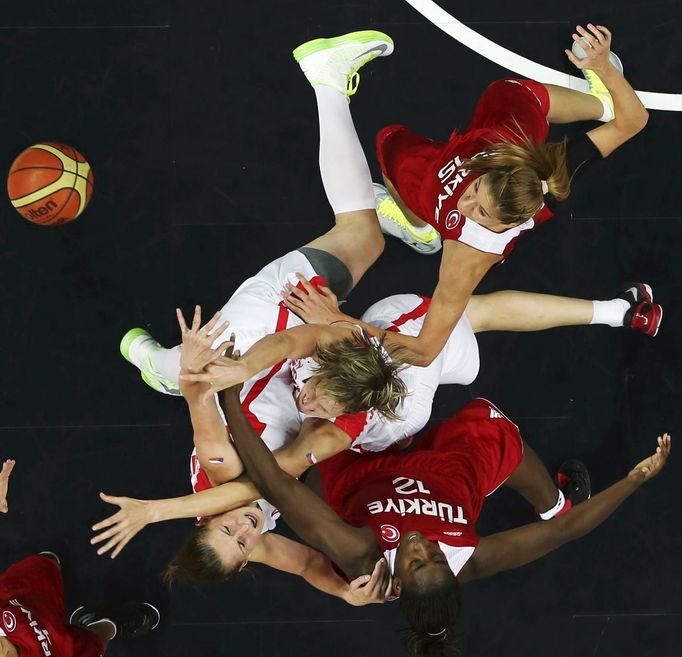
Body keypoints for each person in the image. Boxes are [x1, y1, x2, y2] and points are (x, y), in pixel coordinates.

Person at [218, 372, 671, 657]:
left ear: (397, 582)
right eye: (436, 555)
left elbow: (275, 484)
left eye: (416, 561)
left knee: (313, 437)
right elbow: (562, 535)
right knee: (496, 433)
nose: (422, 544)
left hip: (362, 479)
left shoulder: (361, 554)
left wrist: (231, 401)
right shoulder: (468, 559)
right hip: (446, 476)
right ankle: (553, 499)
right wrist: (633, 481)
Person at [351, 24, 651, 367]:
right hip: (483, 149)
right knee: (510, 91)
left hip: (434, 194)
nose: (466, 203)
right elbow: (633, 120)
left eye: (480, 212)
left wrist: (337, 322)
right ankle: (600, 105)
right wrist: (603, 67)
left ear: (502, 224)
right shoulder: (518, 139)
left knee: (392, 150)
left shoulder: (466, 255)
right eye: (477, 188)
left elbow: (425, 351)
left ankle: (422, 230)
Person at [0, 461, 160, 657]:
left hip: (25, 598)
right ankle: (107, 624)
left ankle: (48, 565)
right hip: (60, 649)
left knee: (43, 568)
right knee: (93, 643)